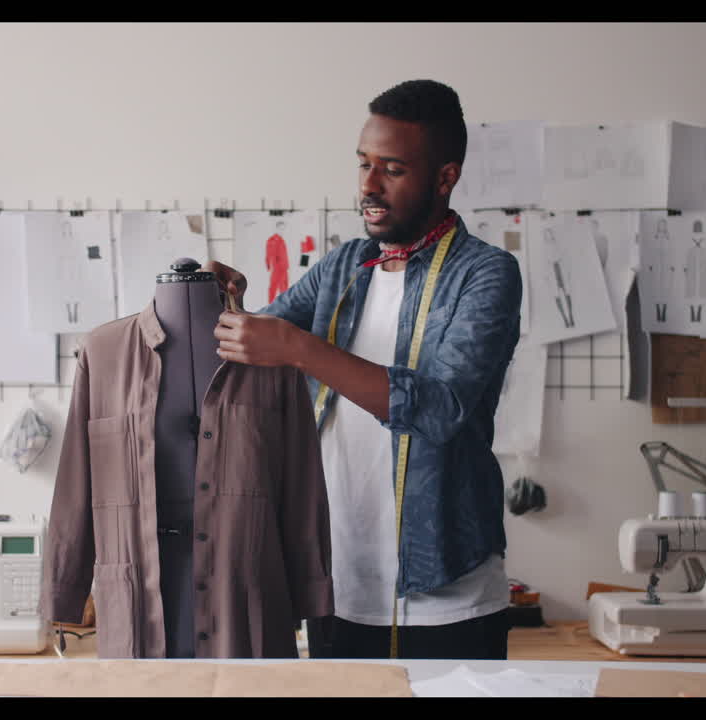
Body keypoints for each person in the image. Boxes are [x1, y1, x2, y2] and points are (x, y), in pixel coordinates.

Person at [206, 80, 523, 659]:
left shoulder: (485, 273)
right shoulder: (345, 267)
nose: (369, 186)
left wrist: (299, 347)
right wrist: (228, 305)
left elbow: (441, 408)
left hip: (447, 595)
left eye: (393, 170)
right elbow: (253, 346)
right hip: (338, 585)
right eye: (363, 164)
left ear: (446, 178)